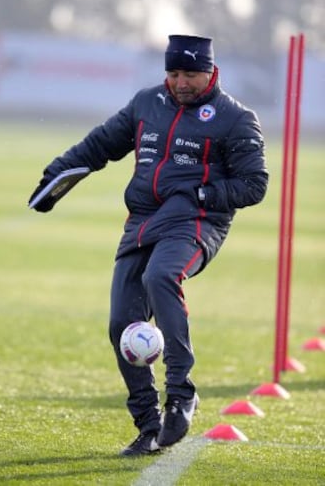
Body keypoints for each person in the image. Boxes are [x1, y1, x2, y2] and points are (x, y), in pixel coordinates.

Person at [28, 34, 268, 457]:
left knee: (162, 276)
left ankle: (181, 393)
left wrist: (201, 196)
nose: (180, 82)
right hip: (141, 221)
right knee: (121, 324)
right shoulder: (146, 103)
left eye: (190, 74)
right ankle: (147, 426)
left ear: (211, 72)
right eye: (174, 73)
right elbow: (100, 144)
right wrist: (57, 174)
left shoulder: (236, 118)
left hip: (196, 221)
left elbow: (254, 185)